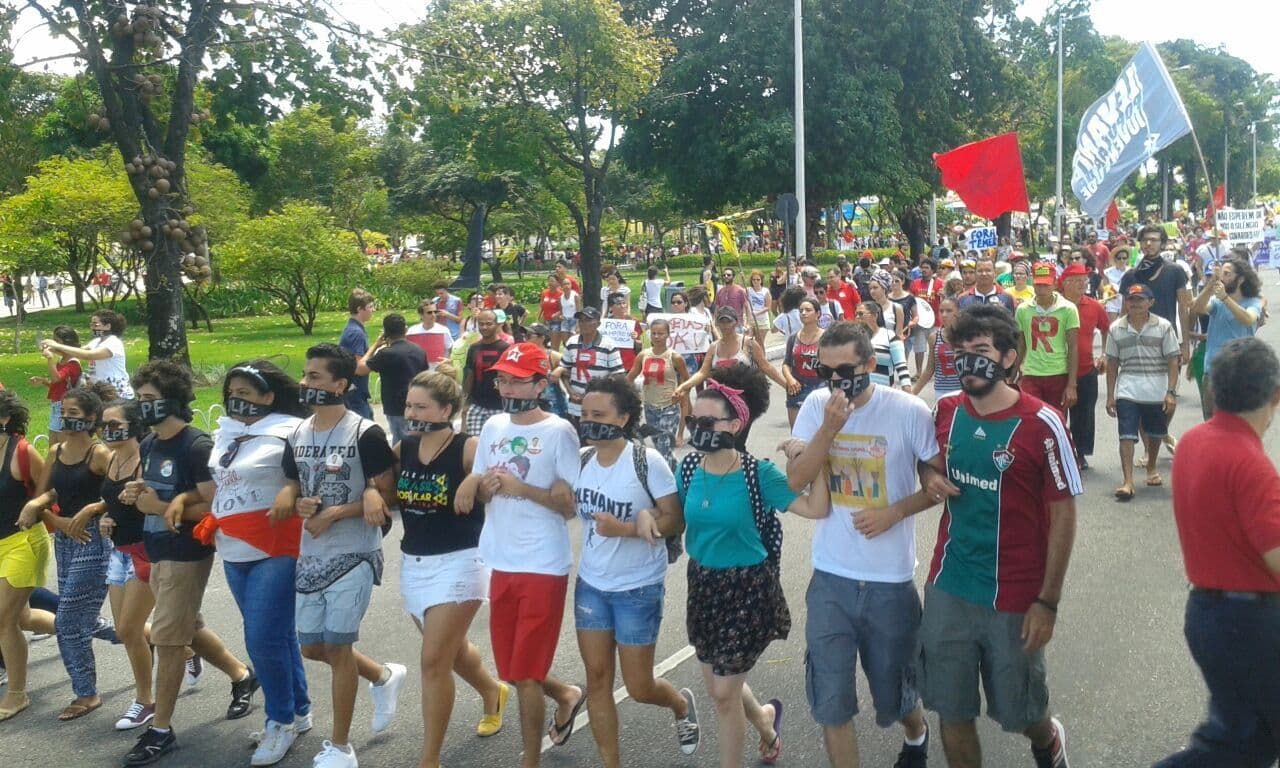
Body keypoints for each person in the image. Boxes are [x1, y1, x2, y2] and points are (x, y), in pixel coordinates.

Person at [920, 304, 1079, 768]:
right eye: (962, 350)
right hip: (948, 585)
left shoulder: (1043, 423)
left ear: (1009, 358)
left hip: (1016, 596)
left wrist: (1047, 602)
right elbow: (927, 461)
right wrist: (928, 475)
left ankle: (1046, 740)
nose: (970, 360)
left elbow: (1065, 516)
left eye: (982, 350)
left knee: (1021, 711)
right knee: (953, 710)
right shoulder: (945, 411)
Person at [783, 320, 943, 768]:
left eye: (846, 371)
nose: (836, 382)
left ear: (871, 364)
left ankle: (916, 734)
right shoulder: (818, 405)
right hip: (831, 576)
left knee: (893, 694)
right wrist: (826, 432)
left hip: (888, 580)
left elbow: (936, 478)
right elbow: (795, 481)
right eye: (826, 371)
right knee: (831, 700)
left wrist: (894, 512)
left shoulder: (908, 410)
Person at [676, 363, 829, 768]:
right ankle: (765, 721)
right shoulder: (688, 468)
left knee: (724, 695)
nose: (698, 427)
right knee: (718, 683)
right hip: (703, 584)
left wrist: (816, 460)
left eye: (709, 420)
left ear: (736, 424)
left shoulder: (756, 473)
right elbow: (673, 521)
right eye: (694, 419)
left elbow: (815, 507)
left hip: (747, 588)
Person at [272, 343, 407, 768]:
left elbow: (388, 495)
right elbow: (295, 481)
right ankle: (383, 676)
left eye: (314, 377)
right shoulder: (297, 432)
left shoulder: (364, 433)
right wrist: (293, 499)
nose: (305, 383)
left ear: (340, 385)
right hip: (311, 552)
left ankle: (340, 746)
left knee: (339, 647)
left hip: (355, 553)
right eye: (305, 376)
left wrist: (341, 510)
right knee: (314, 648)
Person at [120, 361, 259, 766]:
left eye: (149, 399)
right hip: (155, 549)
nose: (141, 405)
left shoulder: (195, 445)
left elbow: (217, 506)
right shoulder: (148, 444)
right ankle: (241, 675)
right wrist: (138, 491)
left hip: (185, 553)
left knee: (167, 640)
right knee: (186, 628)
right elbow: (158, 488)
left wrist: (160, 505)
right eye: (139, 398)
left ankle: (160, 729)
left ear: (173, 401)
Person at [1154, 337, 1280, 768]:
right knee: (1233, 747)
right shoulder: (1251, 464)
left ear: (1212, 389)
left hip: (1210, 613)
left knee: (1247, 741)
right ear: (1275, 396)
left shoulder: (1194, 440)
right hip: (1249, 621)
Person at [462, 342, 585, 768]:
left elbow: (570, 504)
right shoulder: (494, 426)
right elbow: (480, 484)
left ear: (540, 383)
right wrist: (484, 488)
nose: (507, 387)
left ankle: (530, 760)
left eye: (517, 379)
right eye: (502, 379)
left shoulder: (559, 431)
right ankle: (568, 694)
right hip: (501, 559)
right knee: (513, 671)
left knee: (527, 677)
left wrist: (523, 490)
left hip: (542, 564)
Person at [572, 375, 700, 766]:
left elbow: (675, 520)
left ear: (624, 418)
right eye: (584, 414)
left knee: (639, 686)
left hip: (638, 588)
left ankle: (679, 705)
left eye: (599, 415)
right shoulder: (583, 459)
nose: (589, 422)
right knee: (597, 681)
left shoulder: (647, 461)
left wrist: (627, 528)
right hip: (591, 585)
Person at [199, 362, 313, 766]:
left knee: (262, 638)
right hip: (233, 546)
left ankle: (278, 721)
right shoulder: (227, 433)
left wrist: (291, 487)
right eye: (233, 391)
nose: (236, 398)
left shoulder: (291, 431)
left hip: (276, 543)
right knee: (278, 635)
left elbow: (310, 471)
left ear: (269, 396)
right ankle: (299, 710)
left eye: (247, 392)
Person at [393, 372, 509, 768]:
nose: (411, 413)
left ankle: (430, 758)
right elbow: (376, 482)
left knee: (433, 660)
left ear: (446, 410)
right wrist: (373, 493)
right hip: (414, 562)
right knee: (453, 651)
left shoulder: (467, 446)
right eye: (409, 405)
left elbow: (499, 474)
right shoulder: (404, 447)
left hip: (462, 561)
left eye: (421, 406)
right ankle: (493, 691)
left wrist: (475, 477)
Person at [17, 386, 112, 722]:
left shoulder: (101, 454)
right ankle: (153, 638)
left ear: (91, 418)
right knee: (79, 617)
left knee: (69, 620)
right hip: (65, 543)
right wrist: (51, 516)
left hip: (95, 541)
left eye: (73, 413)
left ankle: (86, 694)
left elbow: (119, 492)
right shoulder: (56, 451)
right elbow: (43, 494)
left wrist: (90, 511)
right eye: (63, 412)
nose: (66, 418)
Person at [94, 399, 159, 731]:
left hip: (145, 551)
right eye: (104, 424)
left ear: (135, 425)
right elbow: (111, 502)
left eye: (115, 424)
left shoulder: (144, 461)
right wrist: (106, 515)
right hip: (117, 552)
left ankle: (145, 702)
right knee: (126, 631)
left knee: (129, 630)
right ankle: (188, 652)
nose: (108, 430)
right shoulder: (112, 459)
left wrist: (142, 495)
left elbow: (157, 503)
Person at [1105, 284, 1181, 502]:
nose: (1135, 303)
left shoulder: (1164, 326)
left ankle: (1151, 467)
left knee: (1156, 433)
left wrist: (1171, 392)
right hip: (1127, 388)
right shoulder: (1116, 328)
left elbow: (1172, 361)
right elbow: (1112, 363)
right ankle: (1127, 481)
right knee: (1126, 435)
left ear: (1151, 302)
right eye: (1131, 299)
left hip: (1156, 389)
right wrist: (1111, 395)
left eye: (1140, 299)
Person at [0, 391, 50, 722]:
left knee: (2, 620)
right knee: (23, 619)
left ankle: (16, 694)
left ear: (4, 419)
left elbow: (52, 487)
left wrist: (34, 503)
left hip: (24, 542)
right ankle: (105, 630)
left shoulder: (21, 451)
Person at [675, 306, 788, 437]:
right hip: (719, 404)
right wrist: (684, 386)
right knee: (723, 442)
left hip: (744, 402)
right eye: (721, 322)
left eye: (728, 321)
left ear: (736, 322)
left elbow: (766, 367)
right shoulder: (713, 347)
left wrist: (786, 385)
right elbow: (703, 373)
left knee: (738, 441)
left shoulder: (749, 344)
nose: (725, 326)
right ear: (716, 324)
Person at [1189, 256, 1262, 420]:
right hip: (1213, 371)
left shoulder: (1253, 302)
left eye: (1227, 273)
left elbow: (1248, 319)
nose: (1223, 277)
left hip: (1240, 372)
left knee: (1239, 422)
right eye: (1221, 273)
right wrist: (1209, 286)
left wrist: (1225, 298)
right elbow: (1197, 307)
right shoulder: (1216, 301)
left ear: (1241, 279)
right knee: (1213, 422)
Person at [1060, 264, 1109, 470]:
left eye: (1085, 280)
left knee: (1084, 415)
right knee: (1058, 414)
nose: (1083, 284)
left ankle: (1080, 453)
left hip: (1087, 369)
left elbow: (1108, 329)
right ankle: (1059, 452)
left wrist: (1104, 354)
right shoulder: (1055, 305)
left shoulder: (1094, 306)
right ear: (1065, 283)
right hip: (1058, 370)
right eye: (1078, 280)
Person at [1014, 263, 1080, 413]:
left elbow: (1073, 346)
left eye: (1046, 284)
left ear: (1055, 283)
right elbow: (1021, 345)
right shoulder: (1023, 309)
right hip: (1031, 373)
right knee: (1030, 419)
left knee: (1056, 420)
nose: (1042, 289)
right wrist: (1012, 376)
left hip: (1058, 373)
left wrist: (1071, 385)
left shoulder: (1068, 309)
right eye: (1038, 285)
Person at [358, 314, 429, 445]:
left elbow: (360, 368)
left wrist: (375, 345)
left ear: (386, 333)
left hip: (395, 406)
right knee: (418, 439)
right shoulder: (419, 350)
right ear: (405, 330)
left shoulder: (386, 353)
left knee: (400, 443)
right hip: (417, 402)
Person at [627, 318, 689, 465]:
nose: (656, 337)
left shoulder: (675, 357)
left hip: (669, 408)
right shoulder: (643, 355)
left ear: (668, 335)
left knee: (664, 446)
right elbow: (630, 378)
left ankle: (670, 482)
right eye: (654, 333)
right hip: (650, 408)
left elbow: (687, 382)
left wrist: (680, 393)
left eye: (661, 333)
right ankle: (674, 469)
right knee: (659, 447)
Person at [42, 309, 133, 399]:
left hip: (117, 394)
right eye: (91, 324)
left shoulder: (113, 343)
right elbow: (75, 352)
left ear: (108, 326)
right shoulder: (96, 342)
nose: (92, 327)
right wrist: (52, 349)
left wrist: (57, 345)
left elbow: (87, 355)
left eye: (95, 324)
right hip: (101, 392)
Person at [557, 306, 623, 427]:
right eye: (581, 320)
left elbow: (618, 375)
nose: (583, 323)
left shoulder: (608, 345)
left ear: (598, 323)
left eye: (588, 320)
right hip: (576, 406)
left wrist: (594, 393)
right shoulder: (572, 342)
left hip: (600, 406)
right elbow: (564, 370)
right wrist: (570, 392)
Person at [28, 325, 81, 447]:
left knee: (61, 445)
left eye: (56, 341)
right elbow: (57, 383)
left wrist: (50, 358)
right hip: (56, 405)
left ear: (66, 343)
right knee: (53, 444)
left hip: (64, 407)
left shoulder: (72, 363)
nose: (53, 345)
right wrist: (43, 381)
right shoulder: (62, 361)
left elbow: (56, 378)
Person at [461, 310, 511, 435]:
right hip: (477, 404)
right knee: (475, 442)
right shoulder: (473, 348)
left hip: (500, 405)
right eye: (481, 324)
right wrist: (465, 402)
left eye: (489, 324)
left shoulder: (505, 348)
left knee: (497, 443)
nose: (484, 327)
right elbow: (469, 374)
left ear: (497, 324)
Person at [780, 297, 824, 427]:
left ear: (818, 314)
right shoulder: (793, 338)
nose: (803, 313)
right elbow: (786, 363)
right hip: (797, 389)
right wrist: (790, 380)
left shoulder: (827, 338)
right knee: (797, 434)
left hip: (820, 387)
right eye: (801, 310)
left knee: (818, 432)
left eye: (808, 310)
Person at [852, 302, 912, 391]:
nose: (857, 317)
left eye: (861, 314)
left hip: (884, 393)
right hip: (858, 395)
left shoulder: (890, 336)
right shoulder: (852, 338)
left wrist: (907, 390)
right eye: (856, 314)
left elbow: (901, 366)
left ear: (875, 315)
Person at [912, 296, 961, 400]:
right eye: (941, 311)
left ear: (958, 312)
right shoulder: (934, 337)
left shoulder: (968, 337)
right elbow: (930, 369)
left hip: (963, 392)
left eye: (949, 311)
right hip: (941, 392)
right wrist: (912, 394)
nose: (944, 315)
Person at [339, 289, 376, 420]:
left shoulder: (355, 328)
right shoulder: (356, 333)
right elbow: (359, 368)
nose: (373, 310)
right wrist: (377, 353)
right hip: (354, 393)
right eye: (370, 307)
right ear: (360, 309)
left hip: (356, 392)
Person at [910, 260, 943, 373]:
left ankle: (935, 372)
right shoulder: (915, 283)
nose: (923, 270)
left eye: (927, 267)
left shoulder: (939, 283)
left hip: (936, 321)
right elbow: (911, 300)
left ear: (932, 270)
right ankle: (919, 372)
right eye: (922, 267)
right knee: (919, 349)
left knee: (936, 349)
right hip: (920, 322)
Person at [406, 299, 455, 370]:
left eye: (435, 312)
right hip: (419, 372)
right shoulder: (412, 331)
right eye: (429, 312)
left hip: (438, 372)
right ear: (421, 315)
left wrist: (449, 360)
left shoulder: (443, 330)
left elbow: (452, 350)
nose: (433, 315)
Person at [605, 292, 643, 371]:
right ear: (611, 307)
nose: (622, 306)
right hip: (611, 363)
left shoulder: (633, 321)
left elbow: (640, 346)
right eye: (618, 304)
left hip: (629, 364)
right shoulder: (605, 324)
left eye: (624, 303)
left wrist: (636, 339)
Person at [866, 273, 904, 339]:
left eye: (875, 288)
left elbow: (899, 334)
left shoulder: (896, 308)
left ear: (884, 289)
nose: (872, 291)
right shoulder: (867, 308)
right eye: (870, 288)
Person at [746, 270, 772, 348]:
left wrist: (758, 313)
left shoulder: (765, 291)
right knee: (747, 340)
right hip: (751, 320)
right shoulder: (748, 290)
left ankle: (761, 358)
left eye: (758, 279)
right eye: (754, 280)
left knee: (759, 343)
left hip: (762, 320)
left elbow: (768, 307)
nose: (756, 281)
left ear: (761, 280)